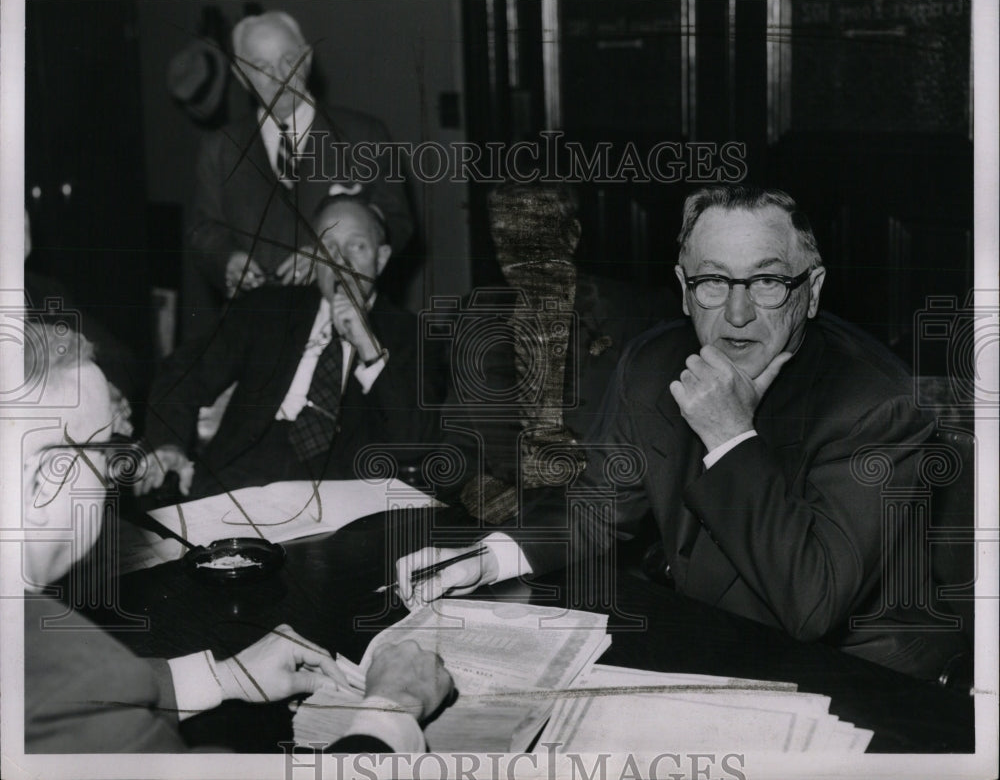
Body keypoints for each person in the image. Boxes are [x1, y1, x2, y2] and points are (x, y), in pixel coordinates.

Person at [397, 184, 970, 682]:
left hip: (860, 670)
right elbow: (596, 510)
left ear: (812, 290)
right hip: (710, 636)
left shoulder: (876, 403)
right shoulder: (652, 361)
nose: (737, 313)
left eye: (767, 281)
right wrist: (489, 558)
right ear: (682, 286)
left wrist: (730, 436)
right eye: (713, 281)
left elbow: (811, 604)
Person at [20, 324, 454, 752]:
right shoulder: (75, 681)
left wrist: (222, 676)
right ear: (43, 481)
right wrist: (392, 708)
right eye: (106, 450)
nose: (117, 475)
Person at [139, 196, 443, 500]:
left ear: (381, 258)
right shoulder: (268, 308)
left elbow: (414, 441)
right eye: (328, 247)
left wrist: (368, 345)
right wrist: (168, 443)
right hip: (241, 476)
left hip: (338, 490)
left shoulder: (409, 333)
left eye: (358, 246)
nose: (341, 261)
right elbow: (183, 373)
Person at [444, 182, 674, 522]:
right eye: (504, 235)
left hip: (611, 531)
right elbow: (457, 451)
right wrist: (492, 501)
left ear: (571, 236)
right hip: (505, 532)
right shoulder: (474, 322)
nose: (518, 253)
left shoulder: (639, 317)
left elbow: (662, 455)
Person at [189, 10, 412, 304]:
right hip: (255, 319)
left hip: (345, 315)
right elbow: (204, 229)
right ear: (241, 76)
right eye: (260, 66)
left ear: (306, 59)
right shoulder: (220, 148)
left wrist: (336, 253)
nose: (279, 77)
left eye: (288, 60)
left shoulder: (364, 134)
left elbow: (398, 222)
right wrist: (228, 260)